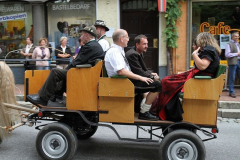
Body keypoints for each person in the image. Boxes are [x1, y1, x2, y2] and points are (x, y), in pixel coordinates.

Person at [28, 26, 104, 106]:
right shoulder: (95, 45)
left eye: (82, 35)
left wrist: (67, 69)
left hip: (84, 74)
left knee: (55, 72)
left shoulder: (89, 46)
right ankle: (57, 95)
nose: (80, 37)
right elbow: (80, 60)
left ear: (87, 35)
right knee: (64, 72)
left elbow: (76, 62)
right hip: (87, 73)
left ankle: (43, 98)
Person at [152, 32, 221, 121]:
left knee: (165, 81)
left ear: (202, 40)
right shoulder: (210, 49)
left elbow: (202, 66)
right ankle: (170, 112)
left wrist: (194, 54)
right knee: (167, 80)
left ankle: (168, 114)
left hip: (199, 80)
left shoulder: (209, 49)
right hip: (198, 78)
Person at [105, 29, 160, 120]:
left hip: (125, 81)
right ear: (121, 39)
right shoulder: (114, 52)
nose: (129, 39)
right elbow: (121, 71)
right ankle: (144, 112)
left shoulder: (119, 50)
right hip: (121, 83)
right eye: (127, 37)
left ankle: (144, 108)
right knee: (157, 85)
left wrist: (143, 77)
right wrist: (141, 78)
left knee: (153, 82)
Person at [125, 34, 162, 112]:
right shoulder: (132, 54)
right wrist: (152, 77)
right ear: (137, 45)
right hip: (132, 82)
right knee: (158, 85)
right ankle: (144, 111)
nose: (147, 46)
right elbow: (139, 72)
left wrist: (151, 74)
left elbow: (143, 70)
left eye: (147, 44)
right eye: (144, 44)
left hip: (136, 78)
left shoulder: (138, 52)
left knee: (155, 81)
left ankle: (143, 105)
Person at [225, 32, 240, 98]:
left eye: (238, 36)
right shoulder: (229, 44)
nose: (237, 37)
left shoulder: (238, 44)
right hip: (233, 63)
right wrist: (236, 54)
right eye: (236, 36)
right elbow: (227, 54)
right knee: (232, 77)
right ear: (232, 37)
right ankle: (231, 92)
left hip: (239, 61)